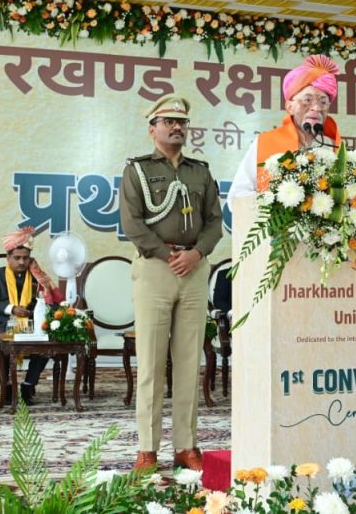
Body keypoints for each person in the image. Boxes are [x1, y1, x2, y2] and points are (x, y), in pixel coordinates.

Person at [119, 95, 223, 471]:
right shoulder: (137, 171)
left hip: (194, 270)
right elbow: (132, 224)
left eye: (181, 122)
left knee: (188, 362)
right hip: (155, 269)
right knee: (150, 363)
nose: (176, 127)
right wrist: (168, 255)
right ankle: (147, 449)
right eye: (168, 122)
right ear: (153, 129)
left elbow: (215, 221)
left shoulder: (200, 172)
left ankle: (186, 446)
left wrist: (196, 254)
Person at [228, 54, 343, 200]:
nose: (316, 107)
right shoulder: (265, 142)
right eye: (307, 100)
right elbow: (237, 196)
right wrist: (276, 204)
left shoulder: (334, 147)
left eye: (323, 102)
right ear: (290, 107)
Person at [0, 227, 60, 405]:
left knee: (46, 344)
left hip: (31, 325)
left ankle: (28, 385)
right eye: (17, 258)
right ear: (8, 257)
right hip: (0, 323)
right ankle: (7, 388)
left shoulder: (38, 277)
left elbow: (52, 303)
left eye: (26, 258)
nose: (22, 262)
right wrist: (11, 309)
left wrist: (38, 310)